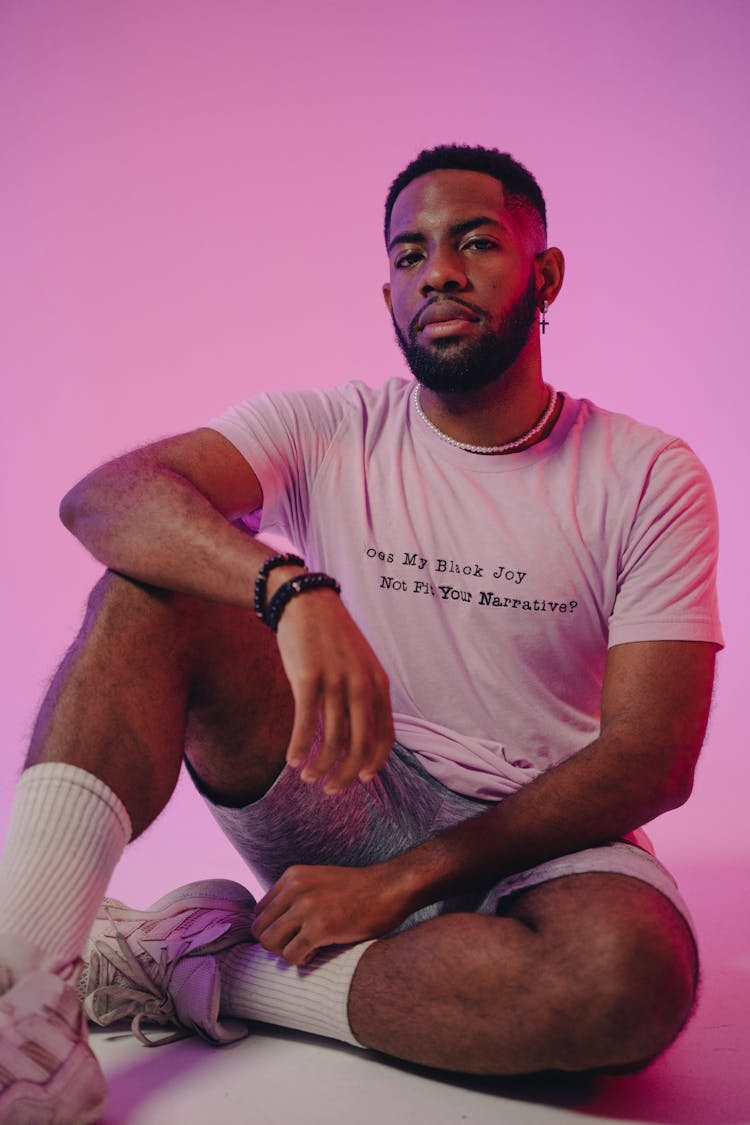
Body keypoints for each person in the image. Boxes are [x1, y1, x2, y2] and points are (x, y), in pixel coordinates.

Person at [0, 144, 722, 1124]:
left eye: (477, 242)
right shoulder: (328, 429)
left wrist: (406, 879)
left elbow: (651, 758)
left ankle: (207, 967)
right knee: (150, 583)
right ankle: (21, 1018)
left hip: (536, 828)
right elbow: (106, 500)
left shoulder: (646, 473)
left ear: (544, 274)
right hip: (343, 787)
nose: (441, 273)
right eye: (411, 254)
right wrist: (290, 588)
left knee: (627, 977)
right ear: (387, 291)